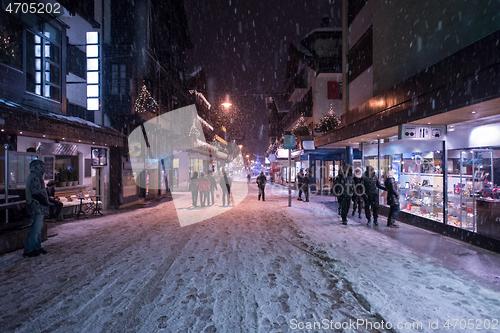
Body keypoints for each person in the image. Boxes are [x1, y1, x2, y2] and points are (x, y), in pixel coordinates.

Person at [23, 160, 50, 257]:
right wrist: (46, 203)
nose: (43, 169)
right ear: (37, 168)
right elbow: (36, 194)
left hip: (36, 206)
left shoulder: (33, 177)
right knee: (36, 228)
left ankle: (36, 247)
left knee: (38, 228)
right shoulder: (35, 178)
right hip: (36, 206)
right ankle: (29, 249)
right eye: (42, 167)